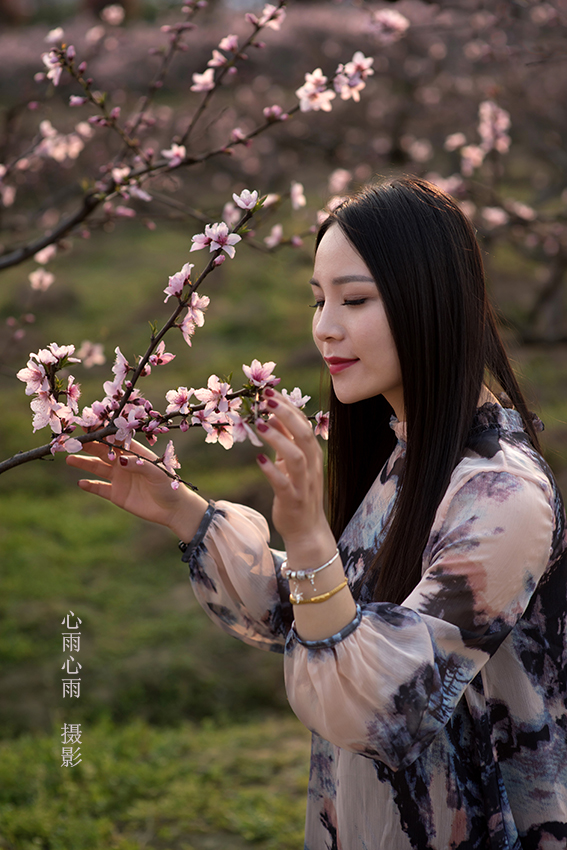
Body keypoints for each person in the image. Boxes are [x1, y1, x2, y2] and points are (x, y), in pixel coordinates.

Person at [67, 177, 567, 849]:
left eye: (354, 299)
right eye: (319, 299)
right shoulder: (409, 454)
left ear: (431, 300)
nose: (324, 326)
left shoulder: (503, 495)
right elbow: (328, 617)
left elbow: (383, 708)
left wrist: (306, 537)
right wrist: (182, 511)